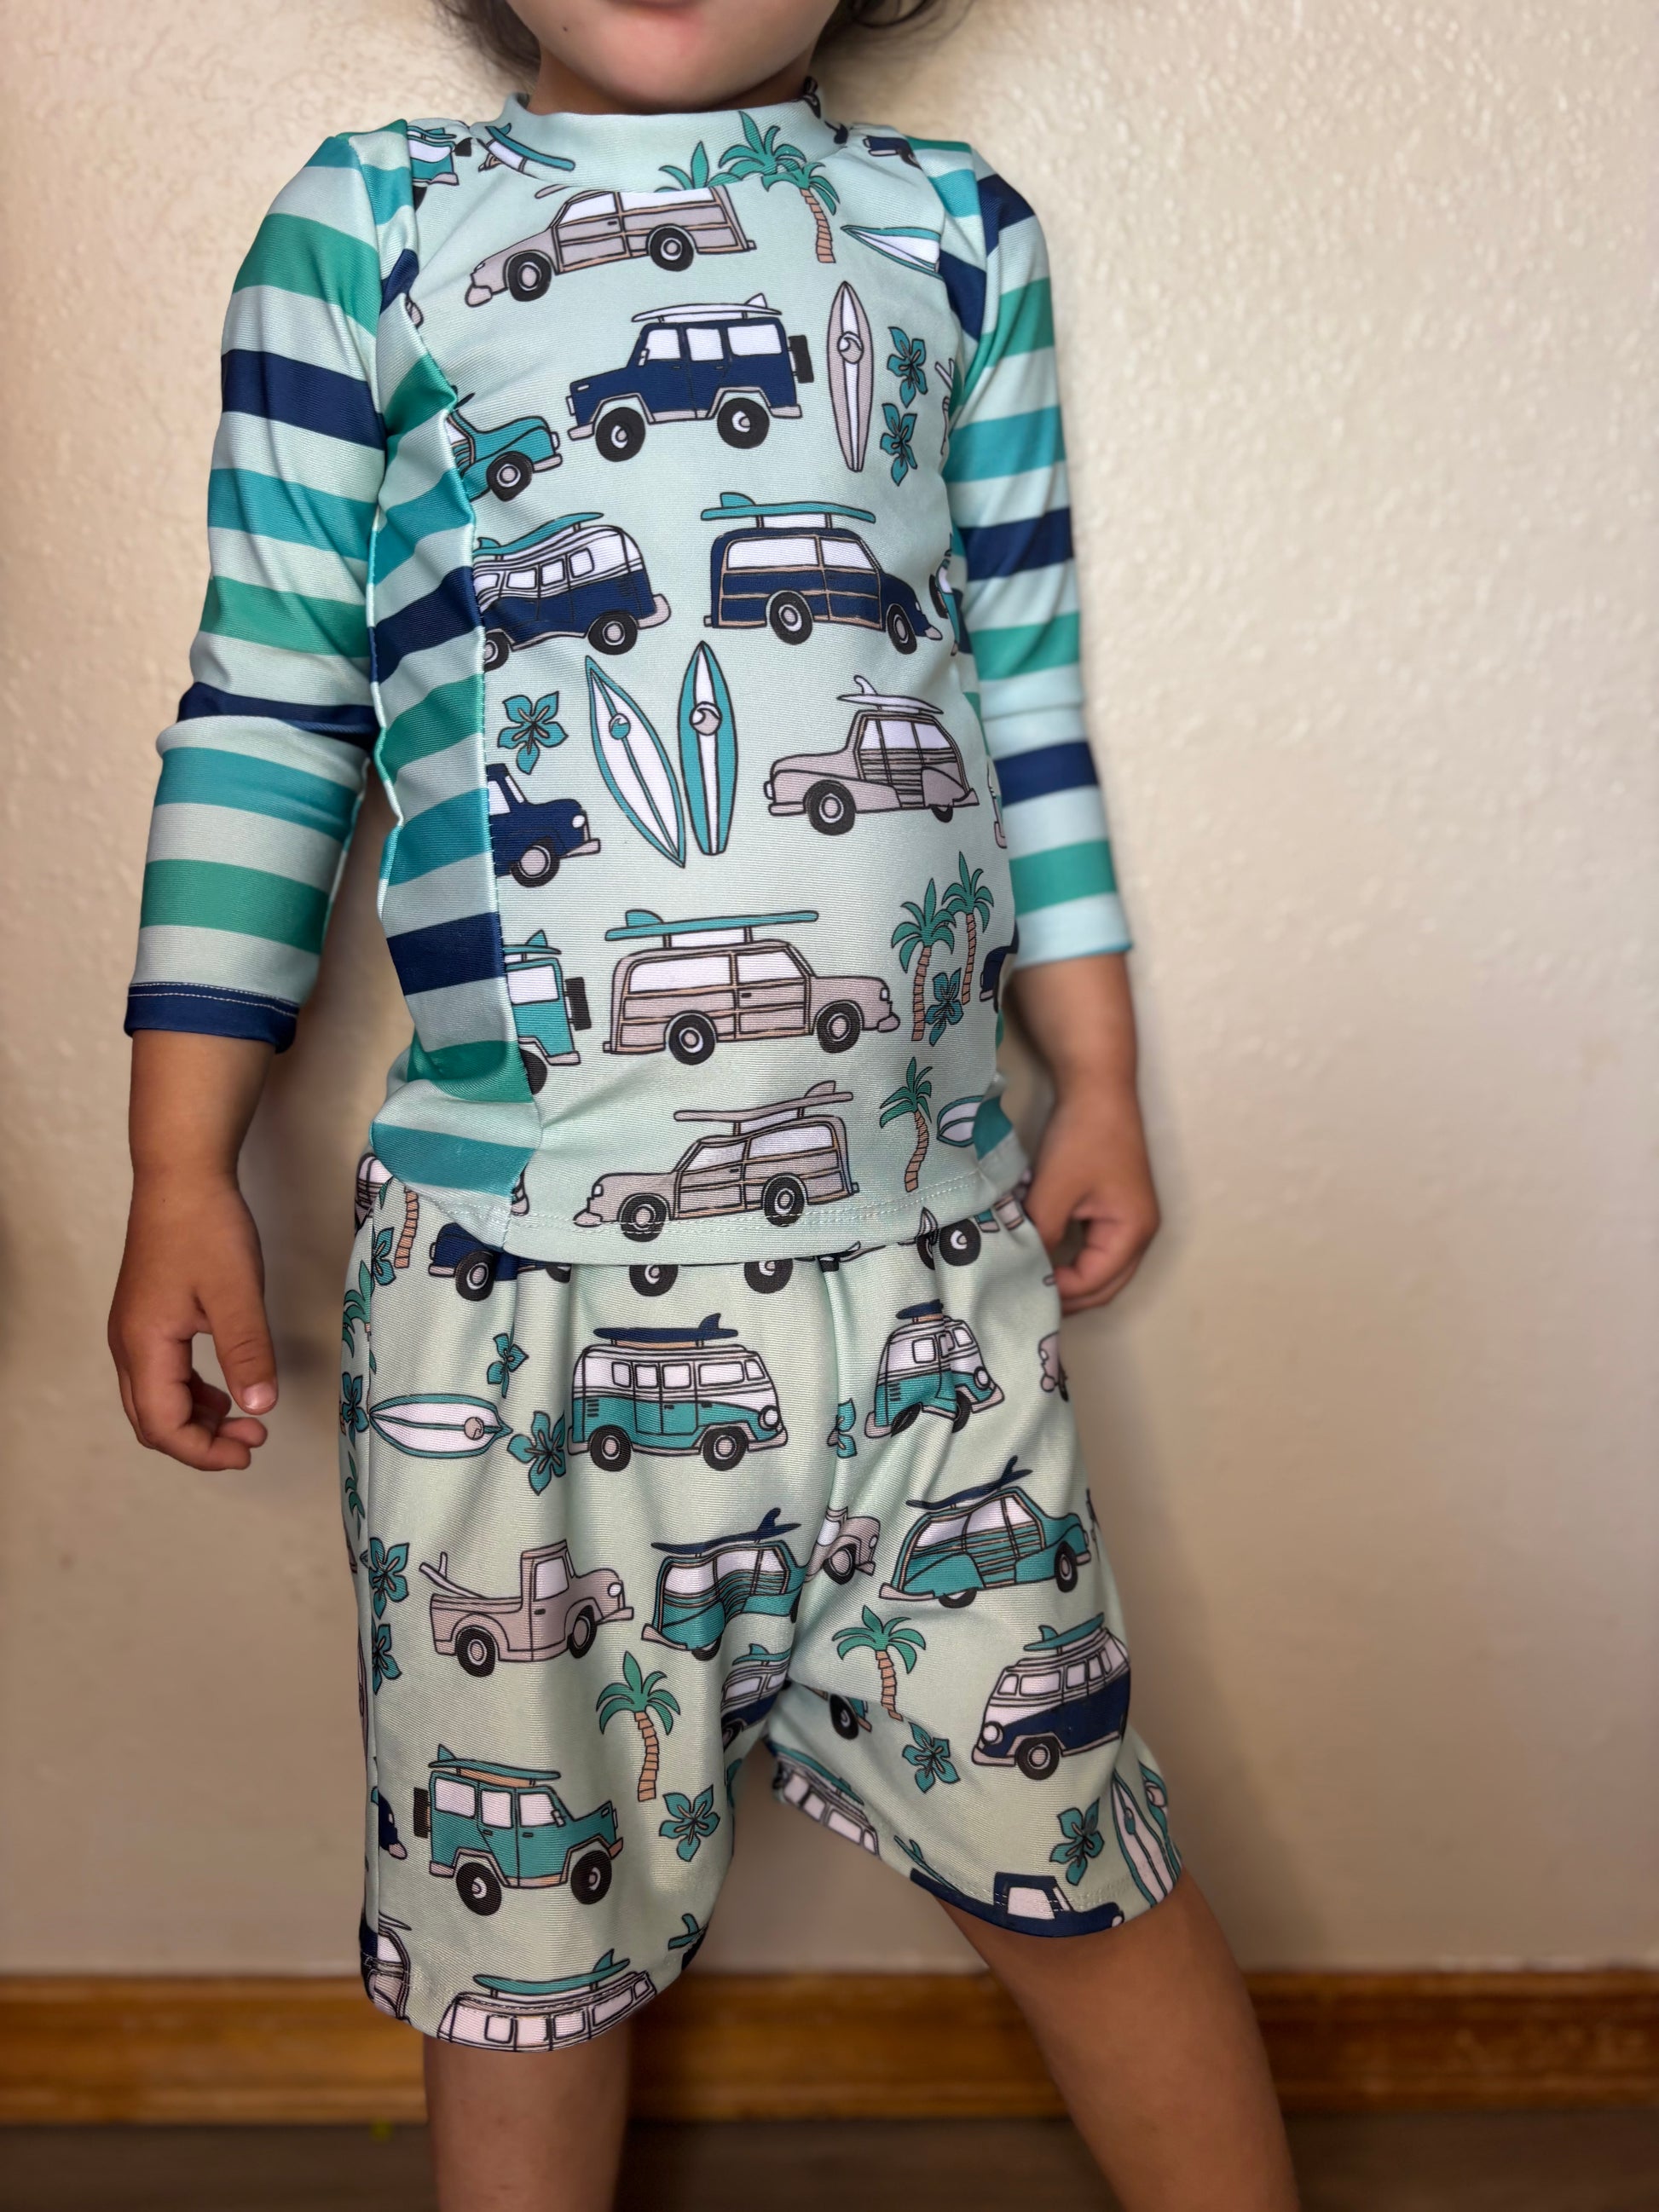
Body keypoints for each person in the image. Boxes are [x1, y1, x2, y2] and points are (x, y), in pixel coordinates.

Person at [107, 2, 1298, 2205]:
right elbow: (270, 704)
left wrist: (1099, 1064)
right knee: (526, 1962)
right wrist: (180, 1158)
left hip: (926, 1275)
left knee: (1083, 1857)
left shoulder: (954, 239)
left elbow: (1019, 686)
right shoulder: (373, 228)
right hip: (512, 1303)